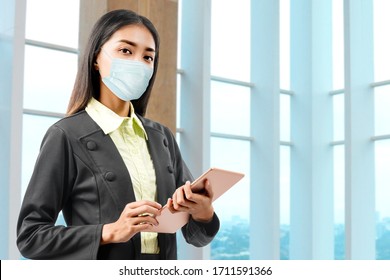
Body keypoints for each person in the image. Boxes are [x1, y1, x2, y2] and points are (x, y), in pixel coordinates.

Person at [17, 9, 219, 260]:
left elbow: (196, 236)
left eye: (148, 57)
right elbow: (31, 237)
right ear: (95, 58)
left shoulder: (161, 137)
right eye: (126, 51)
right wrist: (109, 232)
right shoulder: (66, 135)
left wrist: (203, 212)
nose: (138, 63)